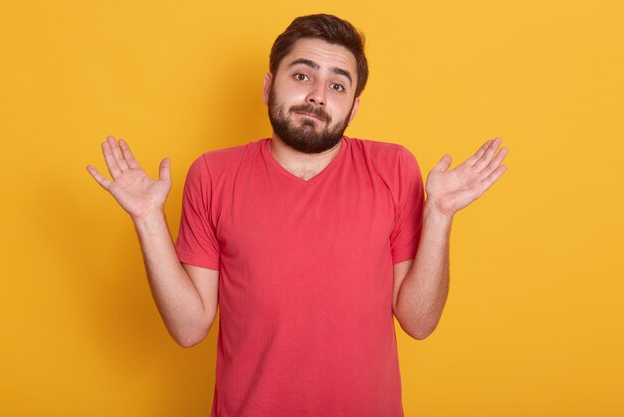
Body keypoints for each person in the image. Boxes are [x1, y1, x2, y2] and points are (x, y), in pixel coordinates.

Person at [86, 13, 507, 417]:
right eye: (302, 75)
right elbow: (189, 328)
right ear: (269, 86)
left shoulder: (394, 169)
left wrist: (440, 213)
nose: (317, 96)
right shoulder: (213, 174)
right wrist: (146, 218)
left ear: (354, 108)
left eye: (337, 85)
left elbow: (419, 321)